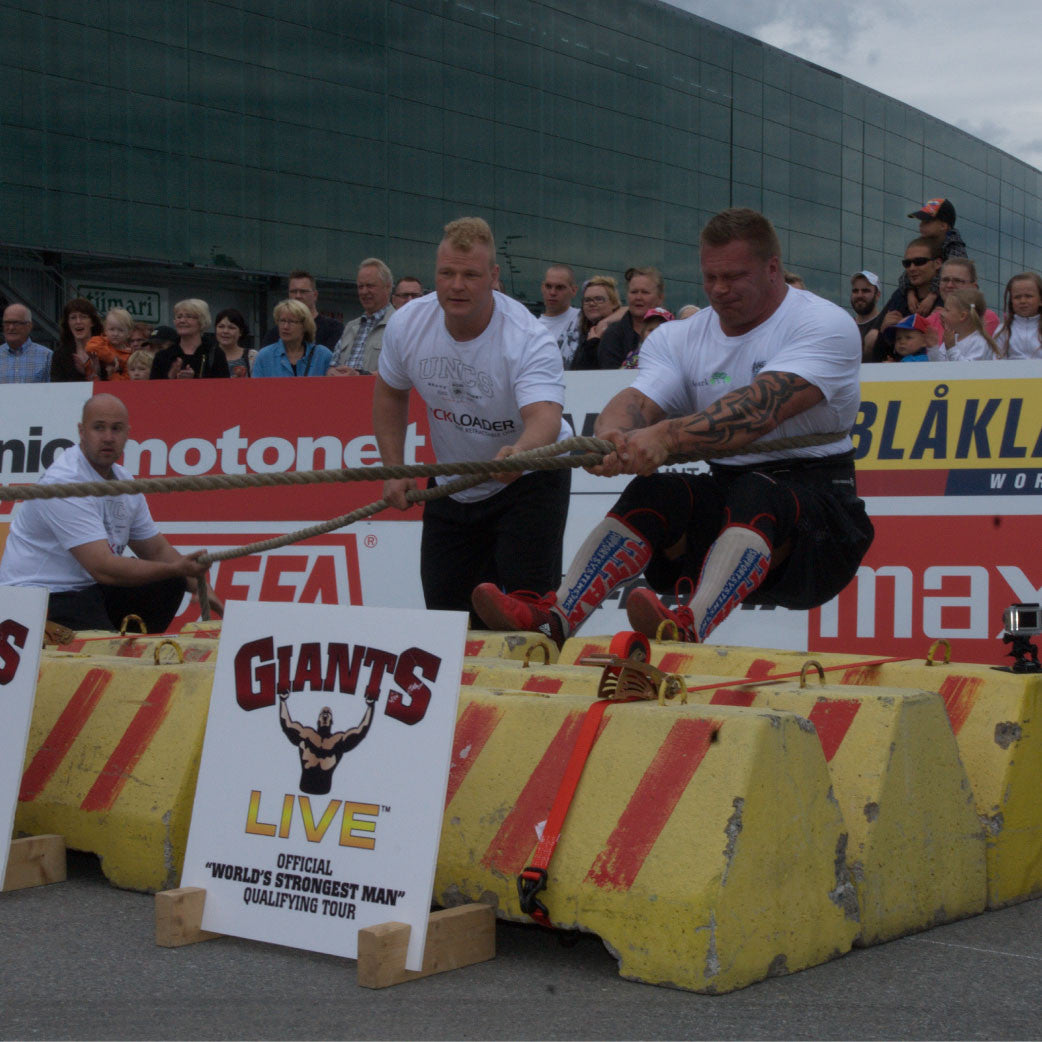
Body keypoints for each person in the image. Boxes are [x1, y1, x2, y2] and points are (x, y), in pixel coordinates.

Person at [471, 207, 873, 647]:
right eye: (710, 277)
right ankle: (555, 619)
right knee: (656, 492)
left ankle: (687, 628)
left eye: (734, 276)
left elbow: (760, 409)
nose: (719, 289)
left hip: (821, 530)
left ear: (772, 268)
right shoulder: (681, 336)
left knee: (757, 492)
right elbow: (640, 401)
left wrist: (667, 436)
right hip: (732, 502)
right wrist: (611, 436)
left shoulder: (825, 324)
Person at [373, 216, 572, 622]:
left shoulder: (527, 337)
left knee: (530, 613)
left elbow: (546, 417)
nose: (457, 286)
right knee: (446, 617)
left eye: (470, 275)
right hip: (453, 482)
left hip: (528, 480)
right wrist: (394, 468)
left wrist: (521, 453)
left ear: (494, 277)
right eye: (447, 273)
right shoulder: (408, 324)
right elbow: (390, 393)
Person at [0, 394, 220, 632]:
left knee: (170, 581)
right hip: (41, 596)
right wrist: (177, 570)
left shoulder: (124, 481)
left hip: (88, 590)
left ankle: (132, 645)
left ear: (127, 434)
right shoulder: (64, 482)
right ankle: (121, 647)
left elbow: (156, 550)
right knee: (169, 575)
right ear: (81, 432)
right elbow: (102, 567)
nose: (108, 437)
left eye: (116, 429)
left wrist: (202, 588)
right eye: (99, 428)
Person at [278, 691, 376, 796]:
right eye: (323, 712)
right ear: (318, 719)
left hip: (323, 788)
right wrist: (282, 701)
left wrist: (370, 706)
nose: (325, 712)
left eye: (328, 713)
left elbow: (360, 732)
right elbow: (287, 725)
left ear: (332, 721)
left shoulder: (338, 739)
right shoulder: (306, 734)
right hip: (306, 785)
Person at [897, 198, 967, 318]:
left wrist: (932, 295)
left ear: (943, 226)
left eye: (927, 222)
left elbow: (950, 274)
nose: (921, 225)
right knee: (899, 296)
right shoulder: (925, 245)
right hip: (923, 294)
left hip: (946, 297)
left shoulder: (955, 246)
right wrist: (910, 292)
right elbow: (906, 274)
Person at [329, 259, 395, 376]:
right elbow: (332, 367)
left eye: (370, 286)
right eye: (360, 287)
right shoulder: (350, 327)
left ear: (388, 287)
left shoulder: (399, 325)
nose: (364, 292)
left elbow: (402, 372)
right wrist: (332, 372)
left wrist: (360, 376)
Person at [923, 258, 1000, 350]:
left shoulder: (986, 317)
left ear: (974, 287)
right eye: (945, 280)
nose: (949, 285)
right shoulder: (928, 322)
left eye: (958, 281)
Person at [596, 267, 666, 368]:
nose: (638, 297)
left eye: (645, 292)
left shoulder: (673, 333)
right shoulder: (613, 335)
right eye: (634, 292)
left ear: (660, 298)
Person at [260, 270, 343, 350]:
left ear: (315, 295)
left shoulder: (334, 329)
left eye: (303, 291)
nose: (298, 296)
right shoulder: (276, 333)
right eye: (293, 291)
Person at [251, 299, 333, 377]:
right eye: (282, 321)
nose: (285, 327)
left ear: (305, 326)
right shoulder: (264, 356)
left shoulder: (322, 356)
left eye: (291, 322)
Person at [150, 299, 229, 379]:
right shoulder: (163, 356)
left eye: (189, 316)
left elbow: (224, 386)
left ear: (202, 321)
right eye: (179, 317)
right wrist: (171, 376)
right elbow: (153, 386)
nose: (182, 320)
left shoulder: (215, 354)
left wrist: (193, 379)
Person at [880, 239, 942, 331]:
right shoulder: (900, 296)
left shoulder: (948, 299)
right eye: (907, 263)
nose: (912, 268)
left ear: (937, 263)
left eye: (919, 261)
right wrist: (883, 330)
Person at [569, 276, 625, 370]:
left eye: (599, 299)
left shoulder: (621, 332)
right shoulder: (585, 332)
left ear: (614, 303)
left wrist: (593, 344)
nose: (592, 304)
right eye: (587, 300)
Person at [51, 298, 104, 382]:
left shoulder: (105, 349)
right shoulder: (60, 355)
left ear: (92, 322)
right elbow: (57, 386)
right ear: (68, 323)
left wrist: (96, 372)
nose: (78, 321)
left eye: (83, 317)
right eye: (73, 317)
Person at [942, 290, 1003, 361]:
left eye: (947, 310)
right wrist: (933, 347)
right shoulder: (953, 339)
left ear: (962, 316)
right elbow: (938, 363)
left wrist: (951, 349)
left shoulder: (979, 342)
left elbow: (969, 367)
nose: (942, 313)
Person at [538, 265, 580, 366]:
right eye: (548, 286)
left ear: (573, 290)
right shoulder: (530, 328)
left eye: (560, 287)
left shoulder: (583, 318)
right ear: (542, 288)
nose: (552, 292)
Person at [994, 272, 1042, 360]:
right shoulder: (1002, 331)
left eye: (1029, 296)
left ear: (1040, 300)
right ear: (1011, 301)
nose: (1023, 301)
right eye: (1017, 297)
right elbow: (996, 361)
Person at [0, 304, 51, 384]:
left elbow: (55, 389)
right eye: (7, 323)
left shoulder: (47, 357)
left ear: (29, 326)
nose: (11, 328)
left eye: (16, 323)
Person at [86, 307, 134, 380]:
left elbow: (126, 380)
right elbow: (90, 347)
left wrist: (111, 375)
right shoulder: (100, 340)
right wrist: (112, 359)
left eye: (120, 330)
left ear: (129, 333)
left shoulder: (129, 357)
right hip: (91, 384)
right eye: (112, 329)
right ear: (105, 330)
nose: (115, 334)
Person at [849, 271, 885, 362]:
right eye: (855, 291)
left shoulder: (885, 325)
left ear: (877, 295)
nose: (859, 295)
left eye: (865, 291)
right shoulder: (846, 326)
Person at [214, 307, 253, 377]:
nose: (225, 331)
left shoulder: (252, 356)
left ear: (241, 332)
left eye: (231, 328)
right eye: (221, 327)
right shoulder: (207, 356)